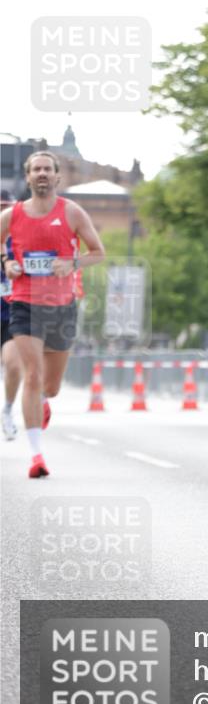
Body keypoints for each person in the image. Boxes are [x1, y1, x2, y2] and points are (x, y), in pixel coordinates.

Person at [0, 152, 105, 478]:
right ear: (28, 177)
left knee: (51, 385)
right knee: (31, 373)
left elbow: (98, 253)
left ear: (57, 177)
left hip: (62, 307)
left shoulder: (71, 212)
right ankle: (36, 455)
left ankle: (45, 400)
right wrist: (7, 263)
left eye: (48, 169)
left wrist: (72, 263)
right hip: (25, 304)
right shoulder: (11, 215)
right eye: (36, 169)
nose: (42, 174)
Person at [1, 191, 21, 441]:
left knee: (14, 365)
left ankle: (7, 409)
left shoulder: (20, 240)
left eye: (7, 207)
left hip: (11, 314)